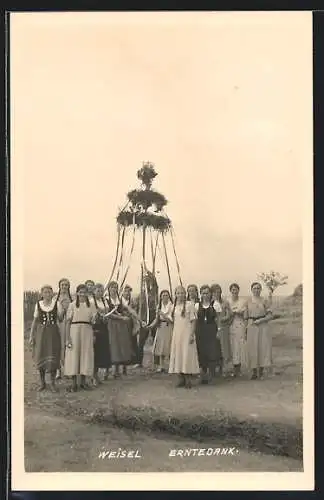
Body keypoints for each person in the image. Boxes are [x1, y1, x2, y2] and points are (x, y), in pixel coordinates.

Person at [29, 285, 64, 392]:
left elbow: (61, 319)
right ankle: (42, 383)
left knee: (53, 355)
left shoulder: (56, 304)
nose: (47, 294)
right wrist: (31, 335)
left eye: (49, 292)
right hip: (41, 333)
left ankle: (52, 383)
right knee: (41, 355)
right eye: (45, 292)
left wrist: (62, 310)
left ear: (52, 293)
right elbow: (35, 321)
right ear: (42, 294)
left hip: (53, 333)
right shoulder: (38, 304)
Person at [64, 284, 97, 391]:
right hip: (74, 331)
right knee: (74, 355)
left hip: (87, 331)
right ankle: (74, 383)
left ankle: (83, 382)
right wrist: (68, 337)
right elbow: (68, 322)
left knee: (85, 355)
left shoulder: (91, 305)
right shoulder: (72, 305)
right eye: (80, 292)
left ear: (87, 293)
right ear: (77, 293)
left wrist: (95, 319)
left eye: (84, 292)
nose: (82, 294)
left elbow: (93, 320)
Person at [168, 285, 200, 388]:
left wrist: (191, 334)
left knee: (187, 354)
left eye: (182, 293)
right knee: (179, 354)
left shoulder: (190, 305)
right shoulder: (173, 306)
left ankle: (188, 379)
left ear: (185, 294)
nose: (180, 295)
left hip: (187, 333)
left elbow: (194, 320)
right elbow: (171, 320)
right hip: (177, 334)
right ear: (175, 294)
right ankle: (180, 377)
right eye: (178, 293)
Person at [245, 282, 273, 380]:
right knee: (252, 348)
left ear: (261, 290)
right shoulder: (248, 301)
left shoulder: (265, 301)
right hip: (251, 326)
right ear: (251, 289)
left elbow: (270, 315)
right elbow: (245, 316)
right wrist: (246, 328)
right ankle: (254, 372)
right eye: (254, 288)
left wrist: (261, 320)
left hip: (263, 326)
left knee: (262, 347)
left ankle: (261, 371)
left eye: (258, 288)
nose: (256, 290)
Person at [195, 285, 222, 384]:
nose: (205, 295)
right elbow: (195, 320)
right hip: (201, 330)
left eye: (207, 293)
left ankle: (212, 374)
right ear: (200, 294)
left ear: (210, 293)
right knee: (201, 351)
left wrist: (219, 330)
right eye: (203, 293)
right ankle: (203, 374)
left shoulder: (215, 304)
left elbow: (218, 319)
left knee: (212, 351)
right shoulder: (197, 305)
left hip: (211, 330)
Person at [106, 281, 133, 377]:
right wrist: (121, 318)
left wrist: (128, 316)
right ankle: (112, 370)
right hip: (112, 325)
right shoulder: (106, 299)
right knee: (113, 345)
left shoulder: (120, 299)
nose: (113, 289)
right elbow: (109, 314)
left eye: (115, 287)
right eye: (112, 287)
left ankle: (119, 369)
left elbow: (128, 309)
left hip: (121, 326)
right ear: (108, 289)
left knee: (121, 345)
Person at [148, 290, 173, 372]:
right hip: (160, 327)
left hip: (169, 326)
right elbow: (157, 318)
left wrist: (162, 314)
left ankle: (170, 366)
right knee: (160, 346)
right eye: (163, 295)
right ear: (161, 297)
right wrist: (150, 326)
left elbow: (170, 319)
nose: (165, 297)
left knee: (168, 346)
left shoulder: (171, 306)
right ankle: (161, 366)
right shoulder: (159, 306)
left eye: (166, 295)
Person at [92, 283, 111, 385]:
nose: (99, 293)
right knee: (95, 352)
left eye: (101, 291)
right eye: (98, 291)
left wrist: (106, 317)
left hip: (104, 328)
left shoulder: (104, 301)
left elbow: (107, 312)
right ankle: (94, 376)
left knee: (102, 352)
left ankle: (98, 375)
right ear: (94, 291)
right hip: (95, 328)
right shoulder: (91, 302)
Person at [211, 283, 232, 376]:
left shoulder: (225, 302)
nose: (217, 294)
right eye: (215, 292)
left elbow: (229, 313)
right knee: (215, 348)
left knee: (223, 347)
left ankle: (223, 368)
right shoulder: (210, 302)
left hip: (223, 326)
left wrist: (225, 318)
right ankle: (214, 368)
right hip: (212, 327)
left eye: (218, 292)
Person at [227, 283, 248, 377]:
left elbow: (245, 313)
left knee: (239, 346)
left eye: (235, 289)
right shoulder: (227, 301)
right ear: (230, 291)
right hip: (230, 325)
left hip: (240, 324)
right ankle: (233, 368)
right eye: (232, 290)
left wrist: (238, 313)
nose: (234, 291)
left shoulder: (243, 301)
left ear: (238, 290)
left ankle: (238, 368)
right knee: (232, 346)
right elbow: (227, 313)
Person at [55, 278, 73, 380]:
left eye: (66, 285)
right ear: (60, 286)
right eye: (62, 285)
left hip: (69, 325)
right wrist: (62, 309)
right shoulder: (55, 299)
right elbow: (57, 315)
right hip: (59, 324)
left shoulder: (72, 299)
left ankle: (67, 369)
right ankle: (58, 370)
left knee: (68, 345)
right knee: (59, 346)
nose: (64, 287)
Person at [121, 285, 139, 366]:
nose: (127, 293)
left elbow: (134, 310)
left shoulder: (131, 300)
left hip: (131, 321)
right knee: (124, 339)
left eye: (129, 291)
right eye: (126, 291)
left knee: (132, 339)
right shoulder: (120, 300)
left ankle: (132, 358)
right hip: (122, 320)